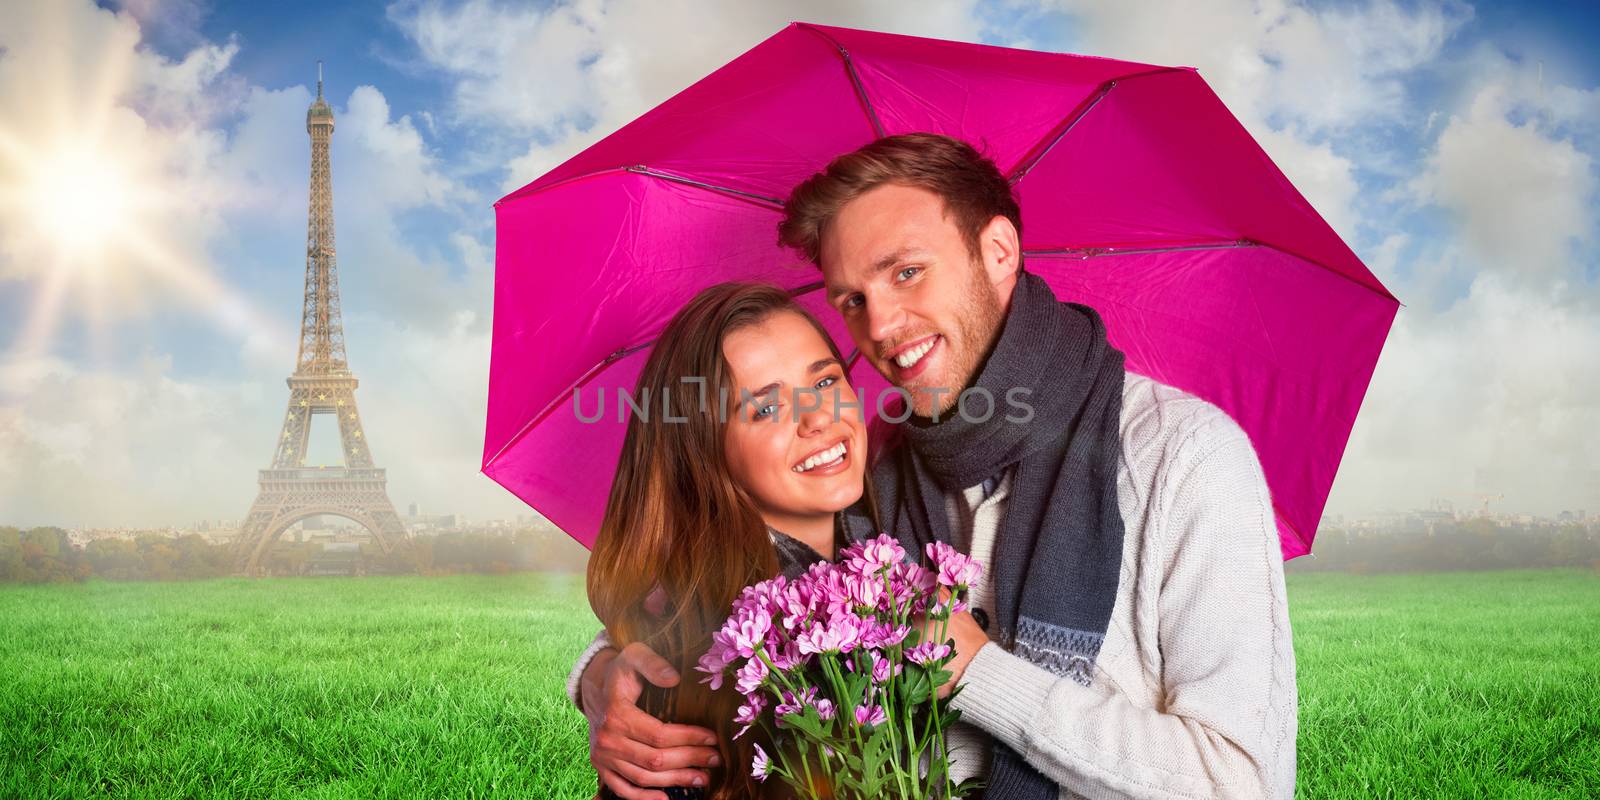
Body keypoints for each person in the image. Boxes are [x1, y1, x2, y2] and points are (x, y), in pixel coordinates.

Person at [574, 132, 1299, 799]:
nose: (881, 328)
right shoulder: (878, 483)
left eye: (908, 273)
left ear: (1000, 253)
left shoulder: (1181, 459)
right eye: (853, 299)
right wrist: (604, 675)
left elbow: (1243, 782)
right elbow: (745, 593)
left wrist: (979, 671)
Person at [581, 281, 876, 799]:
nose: (818, 418)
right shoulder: (711, 656)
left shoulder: (893, 528)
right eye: (764, 410)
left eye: (826, 381)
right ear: (707, 453)